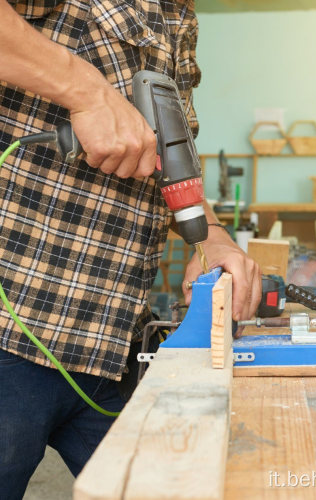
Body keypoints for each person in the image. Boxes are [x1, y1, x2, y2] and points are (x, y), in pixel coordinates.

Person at [0, 0, 261, 497]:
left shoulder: (177, 15)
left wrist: (210, 233)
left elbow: (167, 151)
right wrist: (85, 90)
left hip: (112, 344)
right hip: (13, 330)